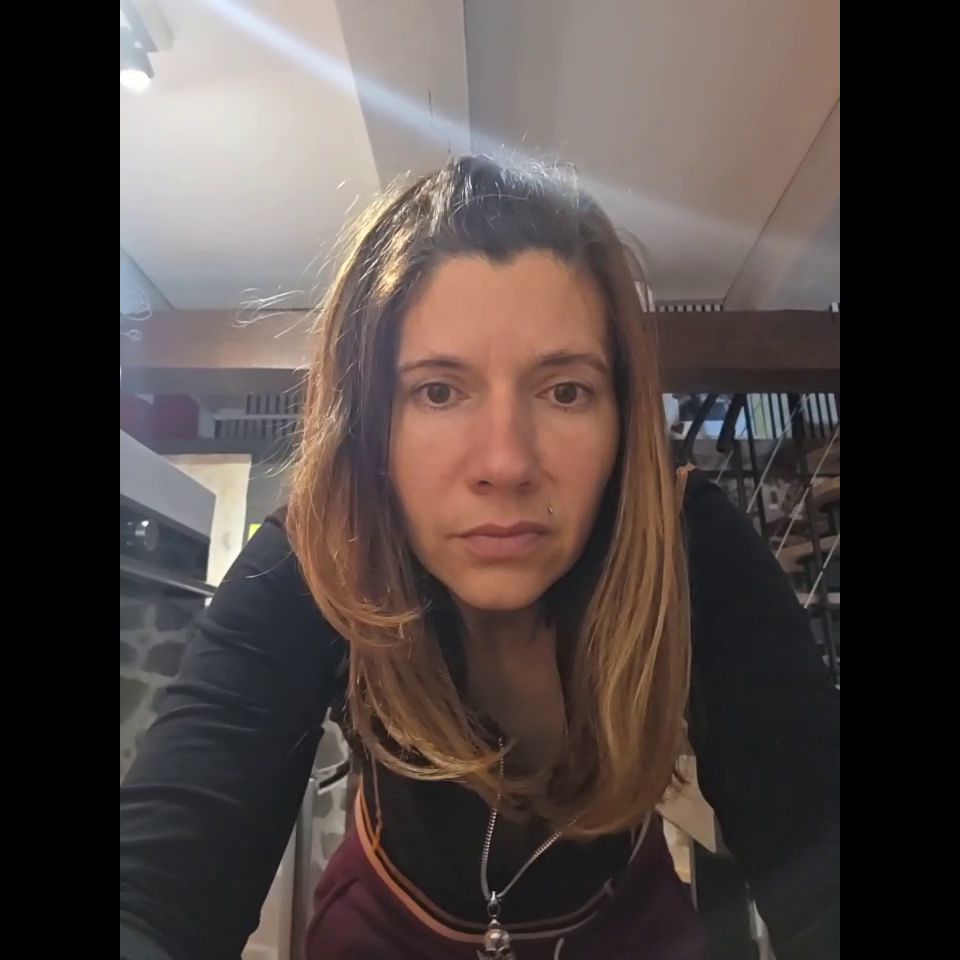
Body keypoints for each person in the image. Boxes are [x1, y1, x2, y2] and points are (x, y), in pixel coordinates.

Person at [120, 156, 839, 960]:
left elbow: (819, 838)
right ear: (371, 424)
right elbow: (162, 883)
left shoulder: (685, 544)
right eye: (438, 391)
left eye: (565, 391)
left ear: (623, 418)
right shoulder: (317, 555)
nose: (505, 462)